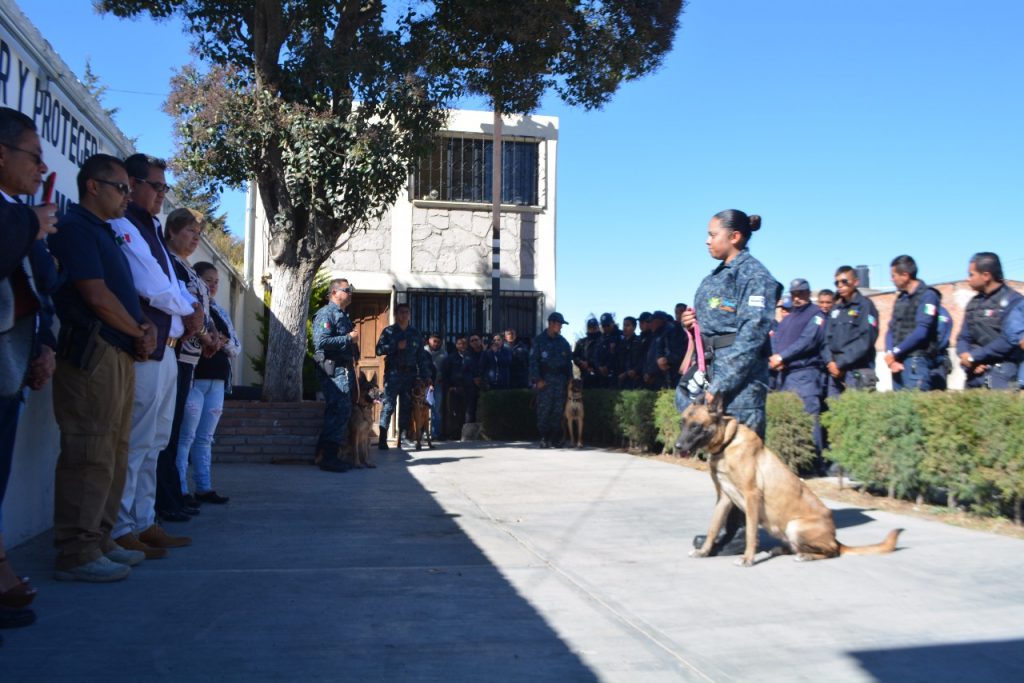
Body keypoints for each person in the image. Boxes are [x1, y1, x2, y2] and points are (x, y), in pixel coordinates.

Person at [48, 154, 157, 582]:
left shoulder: (107, 233)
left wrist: (142, 328)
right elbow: (94, 295)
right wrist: (136, 330)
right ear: (93, 186)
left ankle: (100, 538)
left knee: (114, 451)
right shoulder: (75, 227)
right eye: (121, 188)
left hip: (119, 353)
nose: (128, 197)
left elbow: (120, 293)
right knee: (90, 451)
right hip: (94, 354)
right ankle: (77, 550)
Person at [110, 155, 201, 562]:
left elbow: (170, 286)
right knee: (136, 440)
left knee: (157, 442)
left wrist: (189, 308)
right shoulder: (125, 225)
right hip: (145, 352)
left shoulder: (150, 229)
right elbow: (151, 287)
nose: (162, 194)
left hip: (168, 351)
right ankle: (120, 527)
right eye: (157, 186)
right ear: (131, 183)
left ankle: (144, 520)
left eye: (166, 188)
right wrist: (189, 310)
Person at [679, 209, 780, 555]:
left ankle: (739, 535)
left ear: (734, 236)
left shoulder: (754, 276)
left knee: (742, 461)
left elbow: (751, 336)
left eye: (712, 234)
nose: (707, 241)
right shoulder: (716, 276)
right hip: (716, 371)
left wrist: (720, 385)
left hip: (741, 383)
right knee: (722, 461)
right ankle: (727, 529)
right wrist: (690, 323)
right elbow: (713, 328)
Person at [0, 108, 58, 627]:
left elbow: (41, 290)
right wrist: (28, 224)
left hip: (13, 365)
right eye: (33, 157)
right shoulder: (18, 217)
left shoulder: (20, 215)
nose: (41, 169)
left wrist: (44, 346)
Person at [157, 209, 220, 527]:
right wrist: (204, 336)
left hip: (192, 358)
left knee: (176, 428)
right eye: (189, 231)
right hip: (177, 354)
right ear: (171, 231)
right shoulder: (171, 264)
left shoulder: (185, 267)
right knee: (168, 434)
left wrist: (212, 338)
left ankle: (174, 494)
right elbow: (186, 309)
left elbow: (202, 309)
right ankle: (166, 498)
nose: (195, 238)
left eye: (198, 233)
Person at [176, 262, 239, 506]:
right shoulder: (192, 307)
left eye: (216, 281)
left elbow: (235, 345)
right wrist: (208, 339)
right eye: (207, 280)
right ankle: (179, 488)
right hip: (194, 378)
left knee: (205, 437)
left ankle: (204, 487)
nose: (212, 285)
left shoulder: (219, 312)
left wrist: (220, 342)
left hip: (217, 381)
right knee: (186, 436)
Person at [768, 279, 827, 466]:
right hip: (785, 375)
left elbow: (807, 340)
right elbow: (777, 340)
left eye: (801, 293)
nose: (797, 297)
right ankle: (798, 464)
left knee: (810, 418)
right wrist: (775, 358)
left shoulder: (815, 314)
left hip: (806, 373)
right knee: (792, 419)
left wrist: (782, 357)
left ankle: (816, 464)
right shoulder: (789, 318)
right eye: (794, 294)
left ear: (808, 294)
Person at [311, 278, 359, 471]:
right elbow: (321, 342)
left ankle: (325, 454)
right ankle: (328, 458)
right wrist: (348, 338)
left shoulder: (342, 315)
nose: (350, 293)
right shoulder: (326, 313)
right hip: (333, 370)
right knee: (339, 410)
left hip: (343, 368)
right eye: (347, 289)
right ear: (334, 292)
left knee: (341, 411)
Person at [956, 252, 1022, 389]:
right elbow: (963, 337)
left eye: (971, 274)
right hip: (974, 373)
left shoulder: (1014, 301)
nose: (968, 279)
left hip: (1001, 373)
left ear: (986, 276)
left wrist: (975, 356)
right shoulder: (973, 303)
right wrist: (966, 358)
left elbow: (1008, 340)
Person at [884, 255, 943, 391]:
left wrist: (895, 352)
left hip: (916, 361)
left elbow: (922, 331)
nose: (891, 279)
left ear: (905, 275)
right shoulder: (901, 298)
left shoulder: (928, 295)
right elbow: (891, 329)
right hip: (897, 362)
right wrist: (889, 354)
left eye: (893, 276)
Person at [376, 303, 430, 449]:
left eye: (406, 312)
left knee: (406, 406)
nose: (404, 315)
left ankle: (404, 437)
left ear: (409, 314)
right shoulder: (389, 331)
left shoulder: (415, 333)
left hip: (410, 375)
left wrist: (426, 376)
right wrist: (395, 345)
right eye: (401, 312)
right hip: (393, 374)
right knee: (388, 406)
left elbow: (421, 356)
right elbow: (379, 350)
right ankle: (382, 438)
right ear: (396, 314)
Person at [823, 265, 879, 396]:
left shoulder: (865, 306)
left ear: (856, 282)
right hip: (835, 372)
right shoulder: (836, 309)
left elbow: (866, 339)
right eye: (837, 283)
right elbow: (826, 339)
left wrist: (841, 363)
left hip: (857, 371)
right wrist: (830, 362)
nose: (840, 286)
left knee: (858, 413)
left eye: (844, 282)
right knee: (835, 413)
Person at [529, 312, 573, 448]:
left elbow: (568, 364)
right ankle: (544, 437)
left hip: (560, 381)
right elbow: (533, 361)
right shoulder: (539, 341)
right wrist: (537, 379)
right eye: (559, 324)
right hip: (545, 380)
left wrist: (570, 381)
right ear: (551, 323)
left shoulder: (564, 342)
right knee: (544, 410)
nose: (561, 327)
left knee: (558, 410)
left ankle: (555, 438)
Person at [441, 335, 469, 439]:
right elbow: (445, 374)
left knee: (466, 412)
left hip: (467, 389)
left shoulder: (470, 356)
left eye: (464, 343)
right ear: (456, 345)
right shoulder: (450, 358)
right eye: (459, 344)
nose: (462, 346)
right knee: (454, 412)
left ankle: (465, 434)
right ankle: (454, 434)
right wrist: (449, 387)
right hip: (454, 389)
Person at [424, 333, 446, 439]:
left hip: (437, 384)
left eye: (438, 341)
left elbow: (445, 370)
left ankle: (435, 434)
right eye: (434, 341)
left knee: (436, 410)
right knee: (422, 409)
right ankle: (421, 433)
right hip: (424, 385)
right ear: (429, 340)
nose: (436, 344)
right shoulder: (423, 352)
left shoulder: (444, 354)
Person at [594, 313, 622, 388]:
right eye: (603, 326)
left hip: (616, 373)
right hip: (602, 374)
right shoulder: (601, 338)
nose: (605, 328)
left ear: (612, 323)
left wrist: (608, 366)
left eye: (607, 325)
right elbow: (596, 355)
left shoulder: (620, 335)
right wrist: (599, 366)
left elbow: (620, 356)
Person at [572, 318, 601, 389]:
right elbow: (575, 356)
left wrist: (591, 364)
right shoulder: (582, 342)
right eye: (590, 327)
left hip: (601, 377)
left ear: (598, 327)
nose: (592, 329)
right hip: (585, 376)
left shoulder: (604, 341)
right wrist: (581, 363)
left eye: (594, 327)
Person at [617, 316, 644, 389]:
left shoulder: (638, 342)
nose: (625, 328)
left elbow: (642, 359)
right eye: (624, 325)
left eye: (628, 325)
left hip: (635, 378)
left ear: (634, 327)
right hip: (621, 378)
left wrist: (635, 370)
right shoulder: (620, 343)